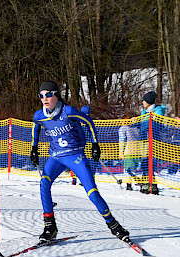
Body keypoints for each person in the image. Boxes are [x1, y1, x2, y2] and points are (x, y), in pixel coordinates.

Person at [30, 81, 129, 243]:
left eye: (48, 94)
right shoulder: (39, 115)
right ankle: (50, 227)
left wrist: (95, 144)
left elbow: (89, 122)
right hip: (56, 156)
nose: (44, 99)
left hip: (75, 156)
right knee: (44, 183)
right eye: (41, 96)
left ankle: (114, 225)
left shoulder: (68, 111)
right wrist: (34, 148)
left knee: (92, 193)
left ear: (56, 95)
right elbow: (36, 126)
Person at [132, 91, 166, 195]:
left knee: (151, 162)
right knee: (145, 162)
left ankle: (152, 185)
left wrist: (143, 121)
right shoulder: (144, 112)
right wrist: (136, 122)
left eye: (144, 100)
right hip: (144, 140)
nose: (142, 102)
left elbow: (153, 123)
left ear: (149, 102)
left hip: (153, 140)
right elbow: (143, 124)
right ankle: (146, 184)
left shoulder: (158, 110)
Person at [118, 116, 141, 190]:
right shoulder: (137, 128)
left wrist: (121, 151)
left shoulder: (123, 128)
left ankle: (130, 185)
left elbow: (122, 140)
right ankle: (136, 182)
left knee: (128, 169)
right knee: (133, 169)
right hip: (138, 151)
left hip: (129, 151)